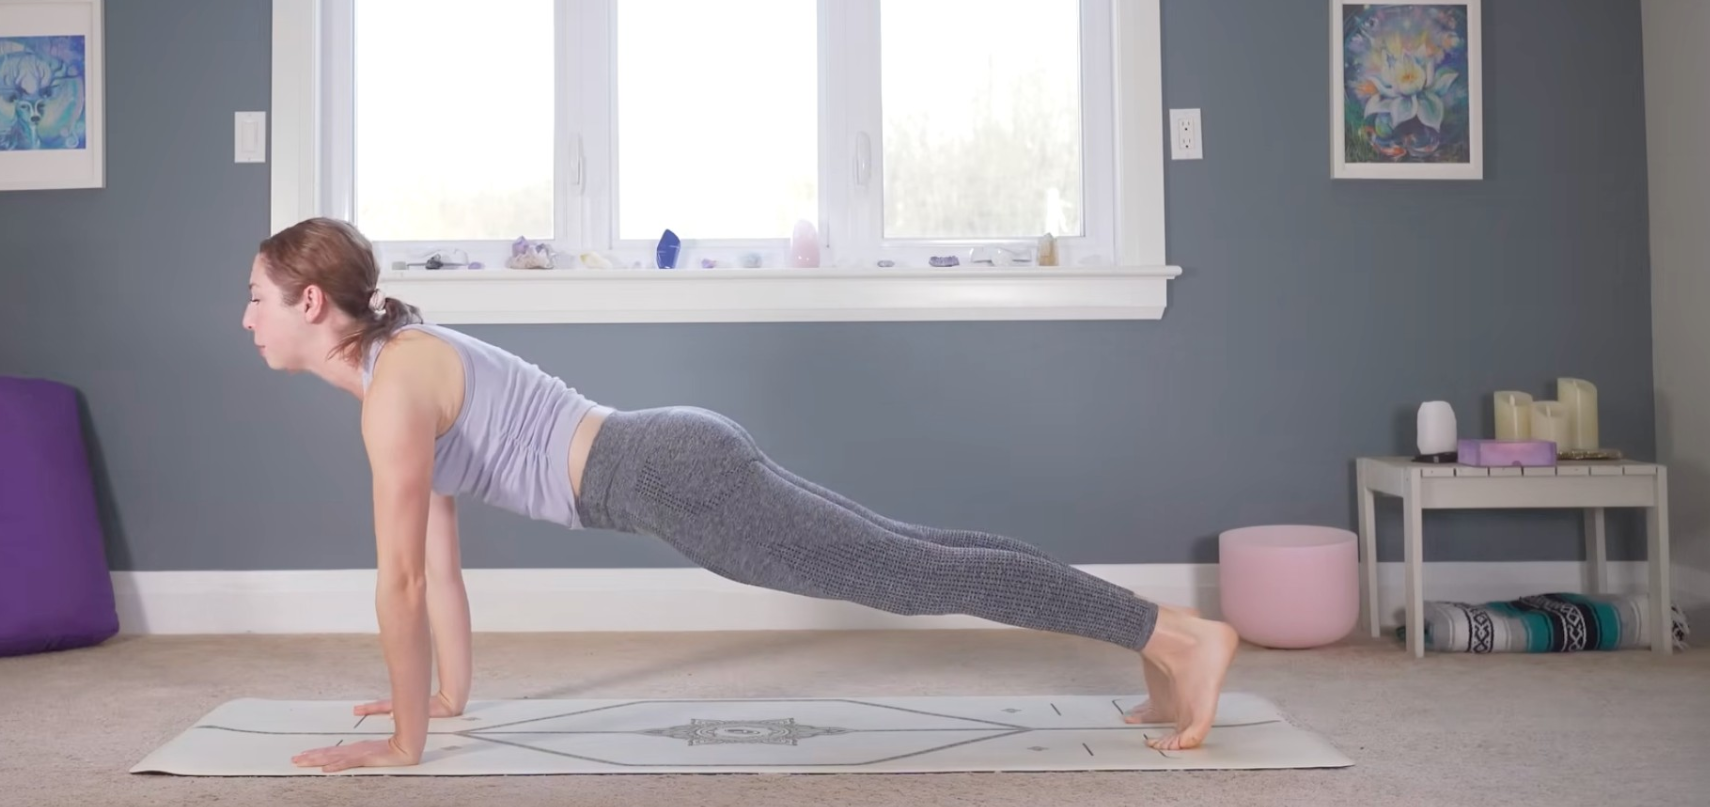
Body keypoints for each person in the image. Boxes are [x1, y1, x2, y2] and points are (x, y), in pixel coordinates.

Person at [243, 218, 1239, 774]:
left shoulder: (394, 398)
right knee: (922, 550)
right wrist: (446, 699)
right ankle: (1154, 637)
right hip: (674, 459)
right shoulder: (400, 372)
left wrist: (402, 744)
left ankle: (1180, 637)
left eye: (257, 298)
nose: (246, 317)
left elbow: (403, 584)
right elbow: (444, 569)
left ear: (312, 304)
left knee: (910, 574)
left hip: (671, 480)